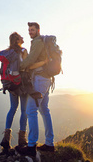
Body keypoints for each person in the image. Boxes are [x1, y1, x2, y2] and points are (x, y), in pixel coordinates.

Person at [16, 22, 55, 157]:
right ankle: (49, 144)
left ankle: (32, 146)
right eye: (29, 30)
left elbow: (31, 59)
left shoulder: (38, 42)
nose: (30, 32)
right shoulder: (41, 41)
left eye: (32, 30)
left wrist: (19, 66)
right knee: (44, 110)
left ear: (38, 30)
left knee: (31, 110)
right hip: (46, 79)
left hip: (39, 79)